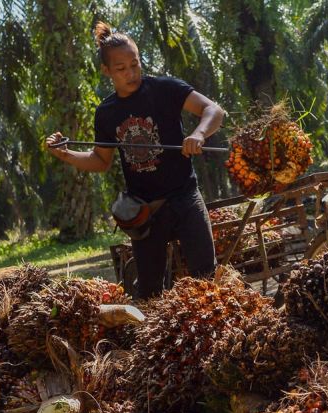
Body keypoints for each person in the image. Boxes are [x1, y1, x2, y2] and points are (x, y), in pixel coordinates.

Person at [46, 21, 225, 299]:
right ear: (106, 71)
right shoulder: (107, 113)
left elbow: (213, 110)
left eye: (135, 64)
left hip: (185, 197)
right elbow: (100, 160)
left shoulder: (165, 89)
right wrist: (66, 154)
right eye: (121, 69)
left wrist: (199, 134)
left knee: (206, 277)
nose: (131, 73)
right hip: (145, 210)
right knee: (150, 292)